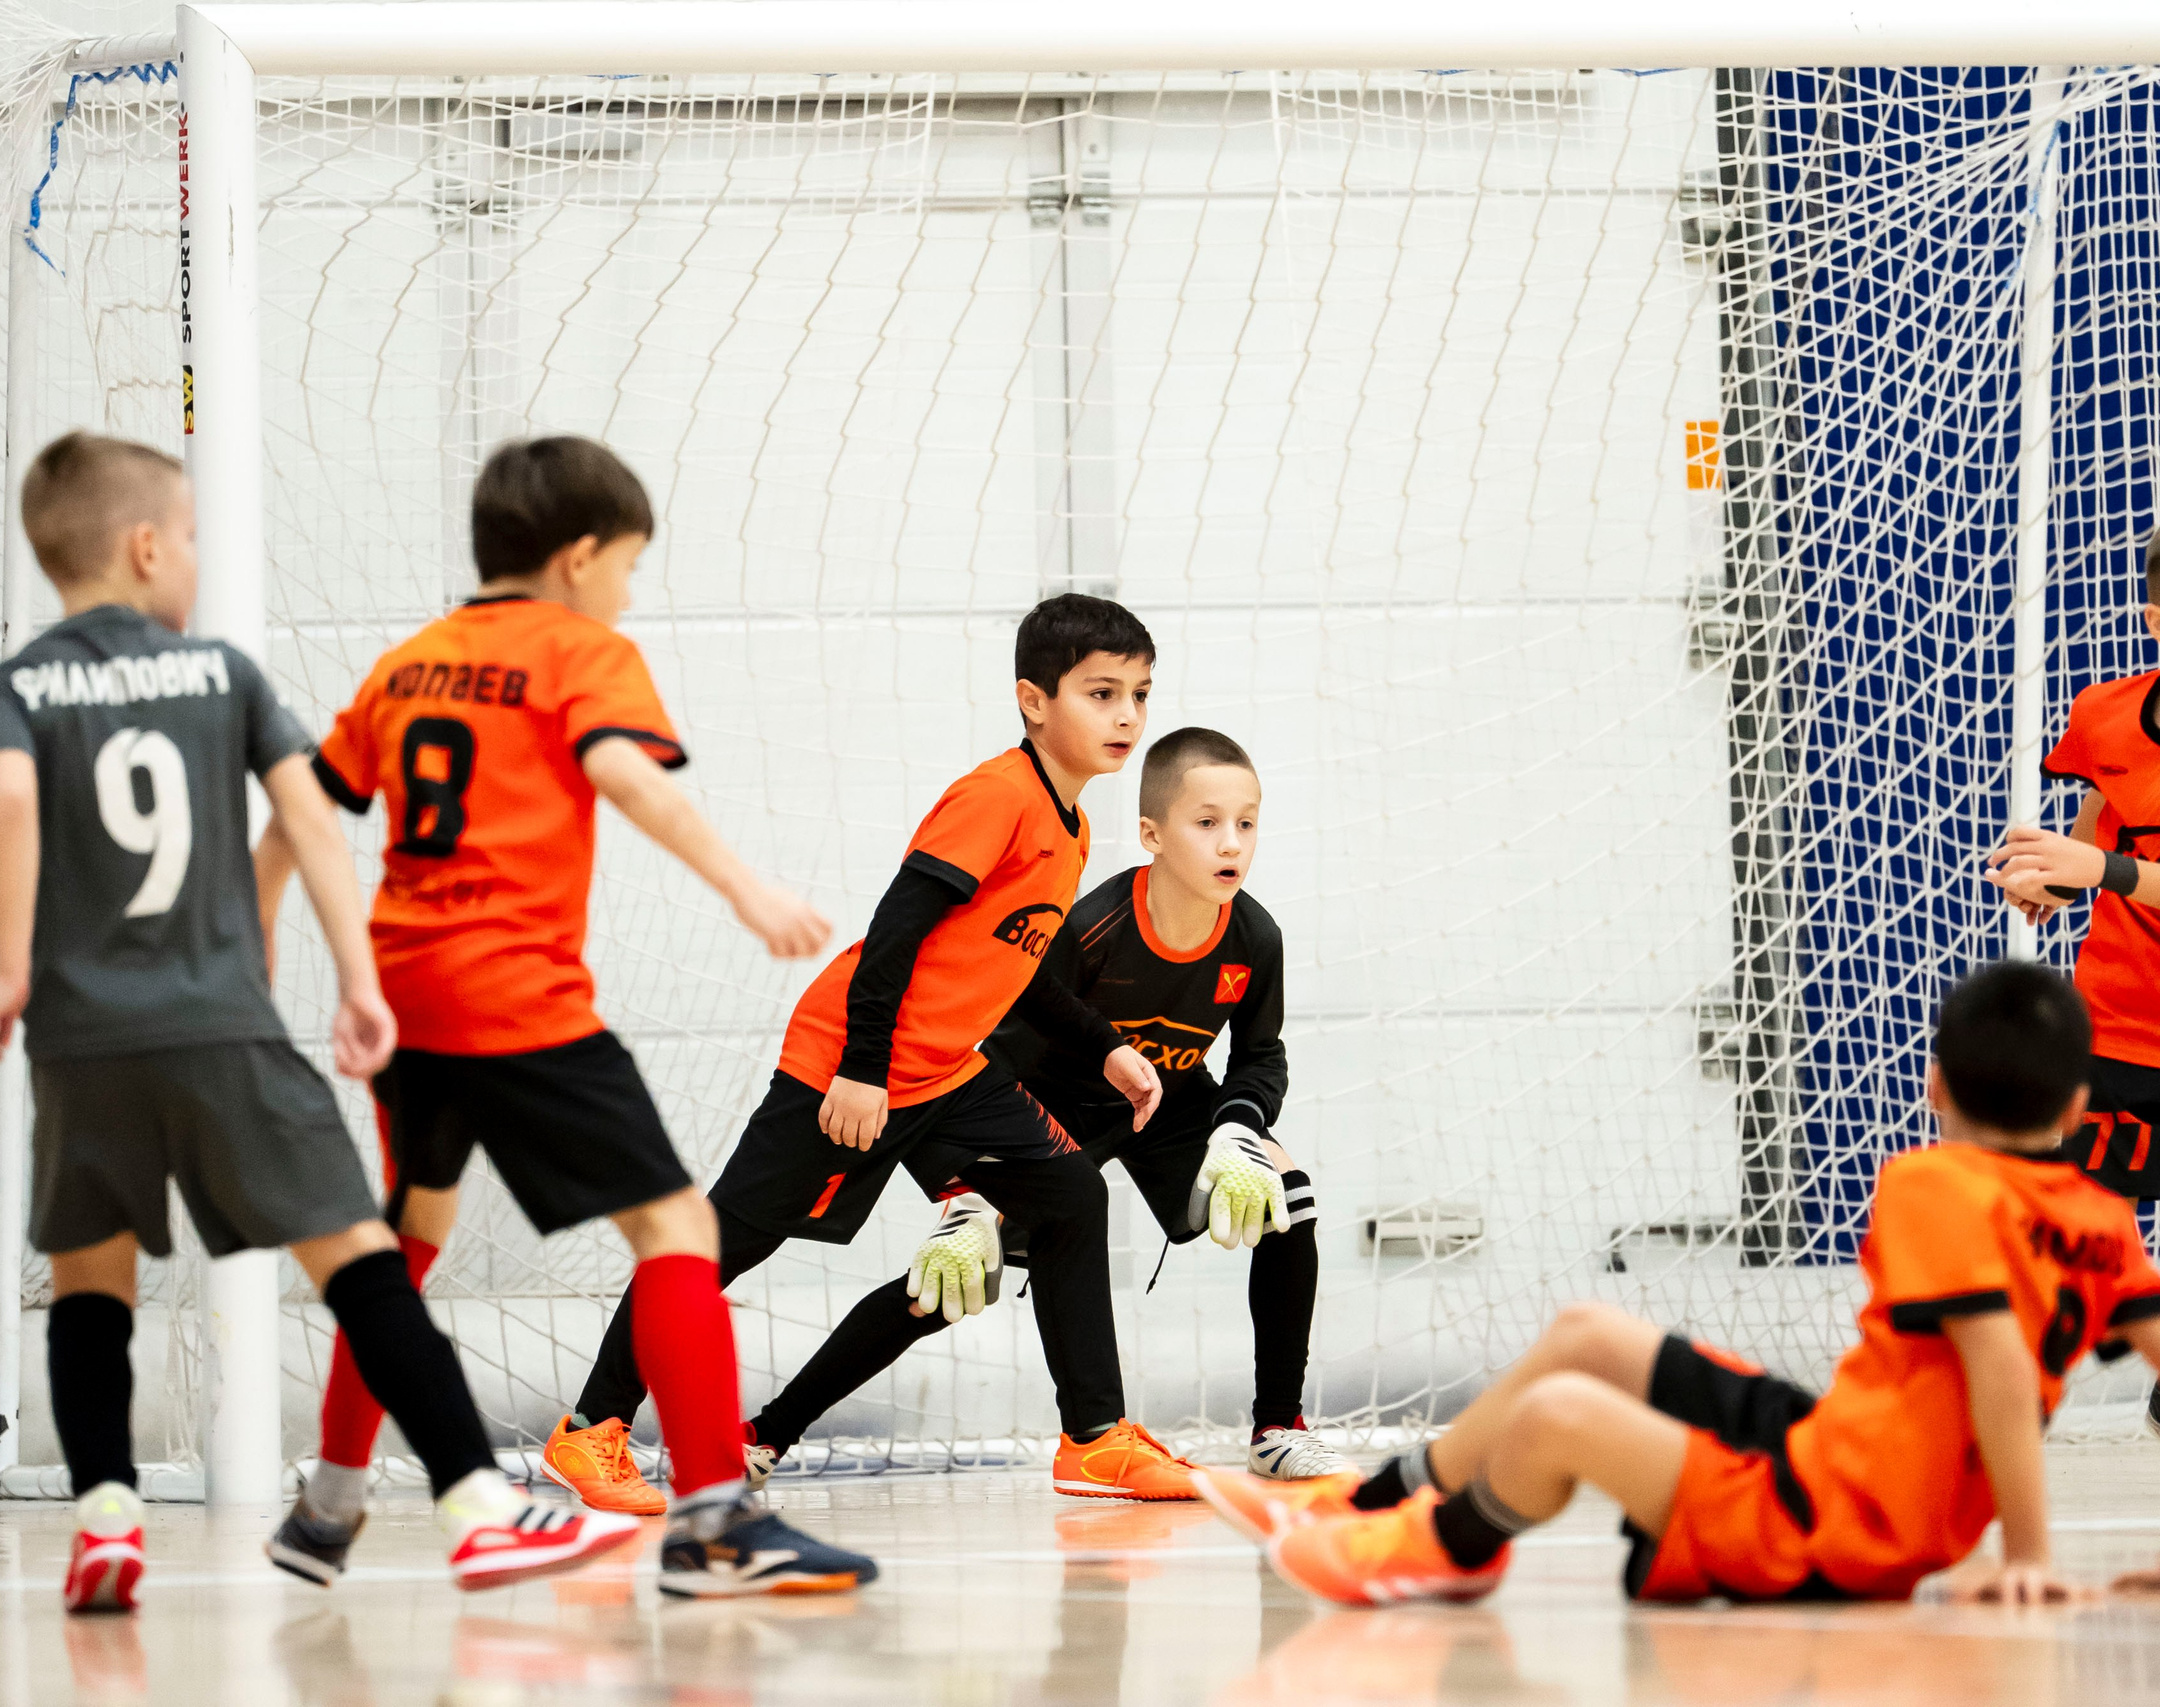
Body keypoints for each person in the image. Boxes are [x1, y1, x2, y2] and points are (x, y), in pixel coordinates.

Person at [0, 432, 636, 1612]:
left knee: (89, 1287)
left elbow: (10, 795)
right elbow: (313, 825)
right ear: (144, 548)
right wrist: (359, 981)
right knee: (360, 1265)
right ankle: (477, 1506)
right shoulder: (219, 675)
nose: (194, 557)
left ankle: (107, 1518)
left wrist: (10, 968)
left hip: (82, 1045)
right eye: (188, 537)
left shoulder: (13, 686)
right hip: (223, 1029)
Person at [254, 434, 876, 1598]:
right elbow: (625, 775)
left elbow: (301, 806)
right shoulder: (584, 649)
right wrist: (748, 891)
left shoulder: (409, 662)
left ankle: (327, 1508)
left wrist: (259, 939)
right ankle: (716, 1522)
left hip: (409, 992)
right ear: (580, 558)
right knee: (677, 1229)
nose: (629, 594)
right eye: (629, 567)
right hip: (516, 997)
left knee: (400, 1247)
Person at [1194, 961, 2160, 1607]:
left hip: (1836, 1522)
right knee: (1587, 1333)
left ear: (1935, 1083)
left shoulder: (1936, 1182)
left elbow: (1998, 1366)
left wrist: (2028, 1555)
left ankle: (1443, 1548)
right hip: (1838, 1453)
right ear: (2081, 1104)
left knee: (1561, 1415)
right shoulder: (2103, 1218)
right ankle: (1367, 1504)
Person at [545, 594, 1199, 1512]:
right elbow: (897, 928)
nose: (1127, 714)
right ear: (1033, 699)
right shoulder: (998, 796)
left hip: (950, 1071)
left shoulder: (1073, 826)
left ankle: (1093, 1439)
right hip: (851, 1063)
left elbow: (1018, 964)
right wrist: (860, 1068)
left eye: (1139, 693)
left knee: (1070, 1195)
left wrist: (1106, 1049)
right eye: (1102, 693)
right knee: (722, 1244)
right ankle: (591, 1429)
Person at [715, 727, 1344, 1484]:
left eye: (1246, 823)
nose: (1231, 842)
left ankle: (1277, 1427)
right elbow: (996, 1051)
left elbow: (1260, 1055)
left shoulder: (1255, 935)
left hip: (1168, 1104)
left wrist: (1239, 1128)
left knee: (1287, 1196)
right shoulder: (1090, 927)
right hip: (1053, 1108)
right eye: (1207, 822)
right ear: (1152, 834)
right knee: (949, 1284)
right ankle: (769, 1430)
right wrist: (969, 1194)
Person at [1987, 526, 2160, 1432]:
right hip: (2116, 1024)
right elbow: (2103, 818)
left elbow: (2113, 863)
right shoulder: (2106, 714)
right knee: (2077, 1224)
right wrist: (2056, 877)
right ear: (2155, 620)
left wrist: (2103, 871)